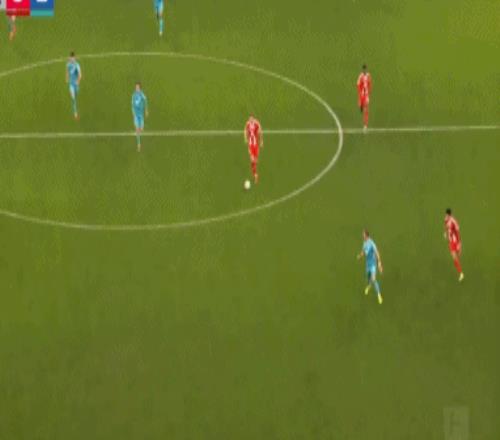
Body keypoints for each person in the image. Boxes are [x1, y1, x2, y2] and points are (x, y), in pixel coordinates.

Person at [357, 229, 384, 304]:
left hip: (373, 264)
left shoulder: (372, 243)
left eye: (363, 235)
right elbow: (363, 251)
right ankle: (369, 286)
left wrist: (379, 263)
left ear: (367, 235)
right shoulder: (364, 243)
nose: (362, 236)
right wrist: (360, 256)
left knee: (374, 279)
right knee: (368, 277)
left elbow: (377, 252)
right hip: (368, 264)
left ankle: (379, 295)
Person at [444, 209, 465, 282]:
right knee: (454, 258)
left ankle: (458, 251)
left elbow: (457, 232)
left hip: (456, 241)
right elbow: (446, 226)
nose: (446, 216)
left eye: (447, 215)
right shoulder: (446, 219)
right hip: (451, 242)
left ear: (450, 215)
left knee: (458, 255)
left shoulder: (454, 221)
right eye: (446, 215)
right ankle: (461, 273)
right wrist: (446, 233)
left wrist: (459, 243)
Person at [244, 115, 263, 184]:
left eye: (252, 119)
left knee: (255, 161)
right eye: (250, 119)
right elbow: (245, 130)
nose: (251, 120)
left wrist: (261, 141)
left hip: (256, 145)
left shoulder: (256, 123)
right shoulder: (247, 124)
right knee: (252, 160)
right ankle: (255, 175)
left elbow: (260, 132)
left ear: (253, 119)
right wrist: (245, 138)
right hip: (250, 145)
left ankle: (255, 173)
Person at [132, 82, 149, 152]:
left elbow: (145, 100)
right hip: (136, 115)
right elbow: (132, 104)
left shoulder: (141, 94)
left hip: (141, 114)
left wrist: (146, 110)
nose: (137, 88)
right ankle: (139, 144)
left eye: (138, 87)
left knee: (141, 129)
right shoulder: (133, 95)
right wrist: (133, 112)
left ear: (140, 88)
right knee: (137, 130)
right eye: (136, 87)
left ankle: (139, 131)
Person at [66, 52, 82, 120]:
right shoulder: (68, 64)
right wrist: (67, 78)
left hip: (76, 84)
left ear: (74, 58)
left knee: (76, 93)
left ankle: (74, 95)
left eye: (73, 58)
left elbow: (80, 75)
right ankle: (75, 114)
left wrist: (78, 81)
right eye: (71, 58)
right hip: (71, 84)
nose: (72, 59)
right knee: (73, 98)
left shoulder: (77, 65)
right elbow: (67, 71)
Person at [357, 64, 372, 131]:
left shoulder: (368, 75)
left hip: (366, 95)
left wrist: (368, 93)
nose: (365, 70)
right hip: (362, 94)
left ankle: (365, 125)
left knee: (366, 110)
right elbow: (358, 85)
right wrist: (360, 93)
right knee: (361, 106)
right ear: (362, 70)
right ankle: (361, 105)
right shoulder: (360, 76)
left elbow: (370, 84)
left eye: (366, 69)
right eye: (364, 69)